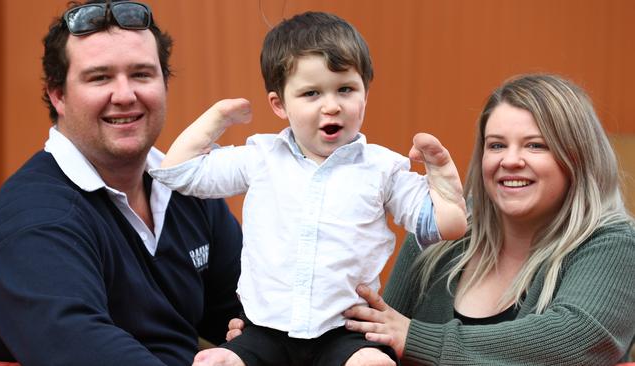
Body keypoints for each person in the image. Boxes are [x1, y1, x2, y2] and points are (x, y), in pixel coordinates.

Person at [150, 11, 467, 366]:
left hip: (344, 331)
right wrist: (217, 118)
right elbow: (178, 171)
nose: (331, 105)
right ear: (280, 104)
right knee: (213, 362)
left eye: (345, 89)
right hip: (263, 331)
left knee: (374, 364)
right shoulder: (261, 157)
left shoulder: (382, 168)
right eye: (311, 93)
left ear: (365, 92)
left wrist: (445, 188)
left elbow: (446, 225)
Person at [0, 1, 243, 365]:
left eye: (141, 74)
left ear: (164, 84)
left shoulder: (189, 188)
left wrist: (337, 335)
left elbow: (253, 314)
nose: (124, 95)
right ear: (57, 94)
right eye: (99, 77)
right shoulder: (33, 221)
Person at [334, 74, 635, 365]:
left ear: (578, 157)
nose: (510, 160)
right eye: (496, 145)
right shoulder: (438, 235)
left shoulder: (614, 243)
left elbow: (576, 339)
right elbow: (379, 332)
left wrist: (419, 339)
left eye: (535, 145)